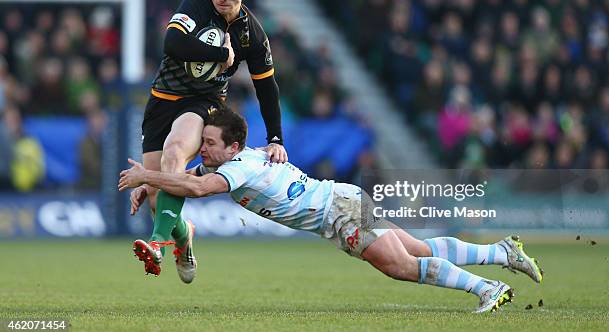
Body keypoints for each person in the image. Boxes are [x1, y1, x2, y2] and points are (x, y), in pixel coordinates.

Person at [119, 108, 543, 313]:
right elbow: (185, 179)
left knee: (401, 266)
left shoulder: (240, 167)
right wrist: (150, 183)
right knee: (420, 250)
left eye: (209, 143)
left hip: (337, 212)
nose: (203, 148)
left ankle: (486, 288)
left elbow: (193, 187)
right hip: (341, 200)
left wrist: (147, 178)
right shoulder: (232, 160)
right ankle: (502, 252)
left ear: (231, 147)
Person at [140, 0, 287, 284]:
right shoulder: (195, 5)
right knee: (154, 194)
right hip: (162, 102)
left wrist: (276, 137)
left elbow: (267, 87)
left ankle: (157, 243)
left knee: (175, 152)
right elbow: (173, 43)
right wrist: (222, 54)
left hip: (204, 103)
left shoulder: (252, 34)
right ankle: (183, 238)